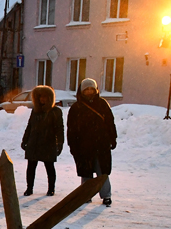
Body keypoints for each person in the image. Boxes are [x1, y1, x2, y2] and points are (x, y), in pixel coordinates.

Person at [67, 78, 117, 206]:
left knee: (103, 172)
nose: (89, 91)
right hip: (83, 146)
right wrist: (73, 146)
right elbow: (71, 129)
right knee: (86, 172)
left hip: (101, 145)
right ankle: (86, 195)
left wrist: (112, 138)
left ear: (96, 90)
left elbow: (110, 123)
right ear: (82, 91)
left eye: (91, 89)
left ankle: (106, 196)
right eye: (86, 89)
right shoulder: (76, 108)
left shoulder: (102, 104)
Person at [21, 85, 64, 196]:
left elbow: (59, 128)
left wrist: (60, 143)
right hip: (34, 143)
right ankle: (29, 188)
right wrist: (25, 140)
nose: (42, 99)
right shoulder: (35, 111)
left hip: (48, 143)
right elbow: (30, 126)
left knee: (49, 167)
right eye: (40, 97)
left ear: (50, 98)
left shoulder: (55, 111)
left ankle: (51, 189)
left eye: (45, 97)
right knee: (31, 167)